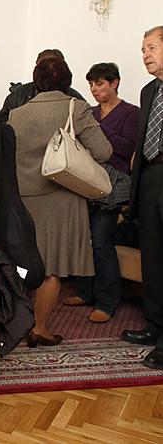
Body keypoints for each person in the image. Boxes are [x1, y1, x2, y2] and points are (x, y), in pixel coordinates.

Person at [8, 57, 111, 346]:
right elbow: (103, 151)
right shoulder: (75, 108)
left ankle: (17, 324)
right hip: (62, 199)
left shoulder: (17, 114)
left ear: (36, 81)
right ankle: (39, 328)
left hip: (25, 200)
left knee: (24, 266)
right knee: (51, 268)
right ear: (67, 80)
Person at [63, 63, 139, 323]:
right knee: (82, 239)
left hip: (113, 186)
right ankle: (85, 291)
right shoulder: (90, 113)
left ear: (115, 83)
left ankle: (107, 302)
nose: (94, 90)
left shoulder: (131, 113)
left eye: (100, 84)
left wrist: (96, 132)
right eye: (92, 85)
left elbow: (128, 147)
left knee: (101, 241)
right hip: (85, 182)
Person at [122, 26, 163, 370]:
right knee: (153, 257)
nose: (145, 55)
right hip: (149, 179)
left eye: (150, 47)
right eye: (143, 49)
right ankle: (155, 325)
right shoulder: (150, 90)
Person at [0, 49, 85, 119]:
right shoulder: (19, 94)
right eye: (43, 67)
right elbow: (3, 123)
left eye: (54, 66)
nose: (48, 71)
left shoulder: (75, 99)